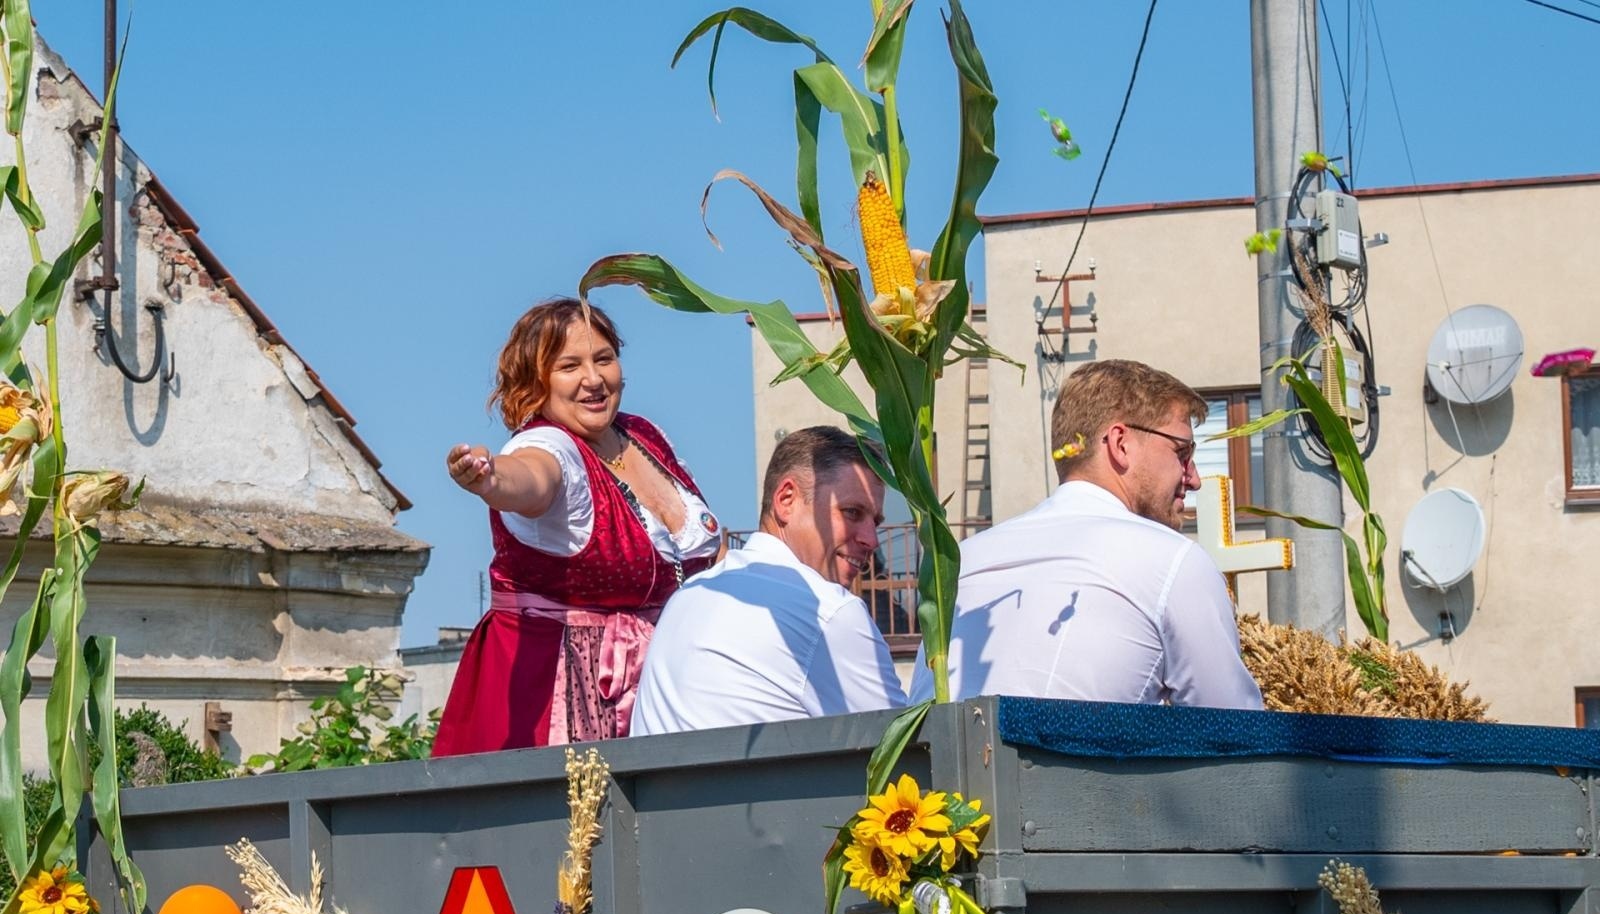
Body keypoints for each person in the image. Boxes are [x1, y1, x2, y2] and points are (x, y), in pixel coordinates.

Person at [432, 298, 722, 756]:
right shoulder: (549, 445)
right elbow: (530, 479)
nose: (593, 379)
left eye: (603, 359)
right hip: (558, 688)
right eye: (570, 366)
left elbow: (712, 552)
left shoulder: (644, 435)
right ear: (537, 381)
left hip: (662, 684)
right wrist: (490, 479)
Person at [910, 359, 1263, 709]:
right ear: (1120, 443)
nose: (1194, 477)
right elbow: (1238, 735)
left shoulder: (961, 562)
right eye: (1182, 452)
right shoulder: (1171, 560)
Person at [631, 426, 908, 735]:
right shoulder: (830, 612)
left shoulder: (685, 600)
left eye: (876, 522)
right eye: (852, 513)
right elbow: (905, 755)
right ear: (786, 500)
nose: (872, 539)